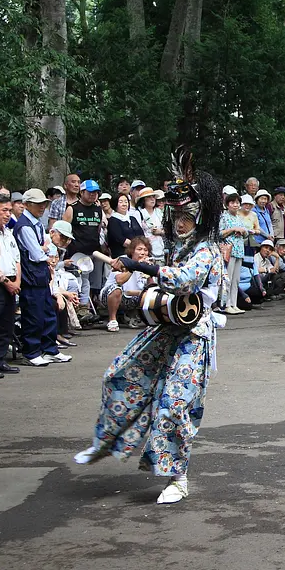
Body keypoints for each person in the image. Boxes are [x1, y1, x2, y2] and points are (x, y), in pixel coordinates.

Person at [73, 153, 227, 505]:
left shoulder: (206, 250)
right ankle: (106, 441)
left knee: (174, 404)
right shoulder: (177, 247)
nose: (180, 223)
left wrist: (143, 267)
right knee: (120, 375)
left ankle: (178, 476)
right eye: (176, 216)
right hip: (165, 329)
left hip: (194, 337)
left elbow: (185, 282)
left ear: (200, 217)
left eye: (187, 216)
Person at [12, 189, 61, 367]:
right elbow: (36, 254)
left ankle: (49, 349)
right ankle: (31, 352)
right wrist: (45, 250)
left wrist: (44, 249)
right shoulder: (24, 225)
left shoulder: (37, 223)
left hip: (41, 274)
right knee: (33, 314)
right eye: (38, 204)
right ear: (27, 204)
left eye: (44, 204)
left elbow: (44, 247)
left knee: (48, 311)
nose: (42, 207)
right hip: (30, 275)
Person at [0, 193, 21, 379]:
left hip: (12, 280)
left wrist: (17, 281)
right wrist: (7, 283)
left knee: (6, 324)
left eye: (9, 210)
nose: (8, 214)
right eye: (4, 210)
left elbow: (17, 259)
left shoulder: (8, 232)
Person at [63, 178, 105, 309]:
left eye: (96, 192)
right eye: (90, 192)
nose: (93, 195)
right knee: (82, 281)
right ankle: (81, 308)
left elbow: (98, 230)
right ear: (82, 192)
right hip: (77, 253)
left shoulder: (98, 209)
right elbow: (63, 230)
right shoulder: (72, 208)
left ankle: (91, 308)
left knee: (95, 283)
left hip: (95, 252)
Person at [101, 236, 153, 331]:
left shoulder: (147, 263)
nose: (143, 253)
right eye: (139, 249)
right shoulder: (122, 260)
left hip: (133, 297)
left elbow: (152, 287)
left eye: (145, 250)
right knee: (116, 289)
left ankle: (134, 316)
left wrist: (149, 271)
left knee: (151, 294)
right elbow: (119, 281)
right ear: (132, 251)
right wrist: (135, 266)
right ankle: (112, 320)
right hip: (112, 295)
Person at [218, 190, 249, 314]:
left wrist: (242, 231)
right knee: (228, 278)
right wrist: (232, 229)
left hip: (239, 251)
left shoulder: (239, 217)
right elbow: (219, 233)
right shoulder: (224, 216)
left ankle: (234, 303)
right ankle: (226, 304)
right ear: (227, 204)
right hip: (228, 251)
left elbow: (246, 234)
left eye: (237, 203)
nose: (235, 205)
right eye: (233, 202)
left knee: (236, 279)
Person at [135, 187, 166, 263]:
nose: (152, 199)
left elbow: (168, 230)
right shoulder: (138, 213)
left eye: (153, 197)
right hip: (145, 250)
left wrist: (161, 232)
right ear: (143, 200)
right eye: (149, 197)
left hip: (161, 248)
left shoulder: (160, 212)